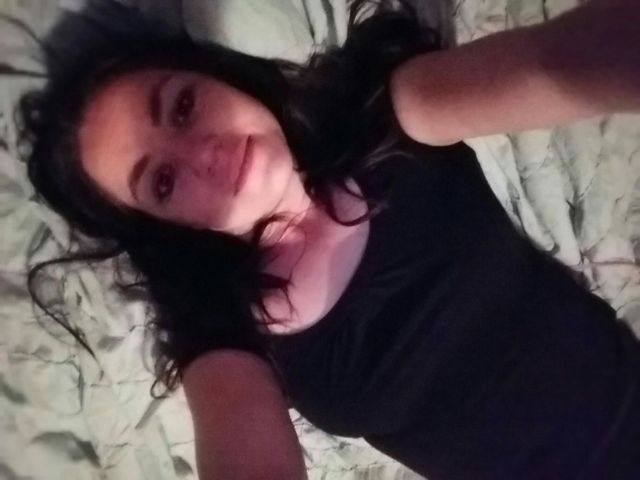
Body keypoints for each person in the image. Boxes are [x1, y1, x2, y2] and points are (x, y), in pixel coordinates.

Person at [15, 0, 640, 479]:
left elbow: (560, 66)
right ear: (162, 226)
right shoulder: (222, 328)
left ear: (217, 76)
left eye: (182, 107)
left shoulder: (385, 110)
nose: (201, 152)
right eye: (163, 180)